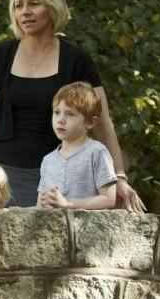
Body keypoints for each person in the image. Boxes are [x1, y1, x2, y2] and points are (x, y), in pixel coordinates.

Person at [0, 0, 145, 212]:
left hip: (60, 176)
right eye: (18, 6)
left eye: (34, 4)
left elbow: (102, 123)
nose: (25, 12)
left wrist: (119, 178)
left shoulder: (77, 60)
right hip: (1, 176)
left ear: (51, 7)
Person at [37, 82, 118, 210]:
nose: (61, 120)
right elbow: (40, 204)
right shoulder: (48, 160)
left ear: (90, 122)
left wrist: (67, 204)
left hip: (86, 229)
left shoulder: (97, 152)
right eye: (57, 112)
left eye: (70, 114)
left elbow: (108, 199)